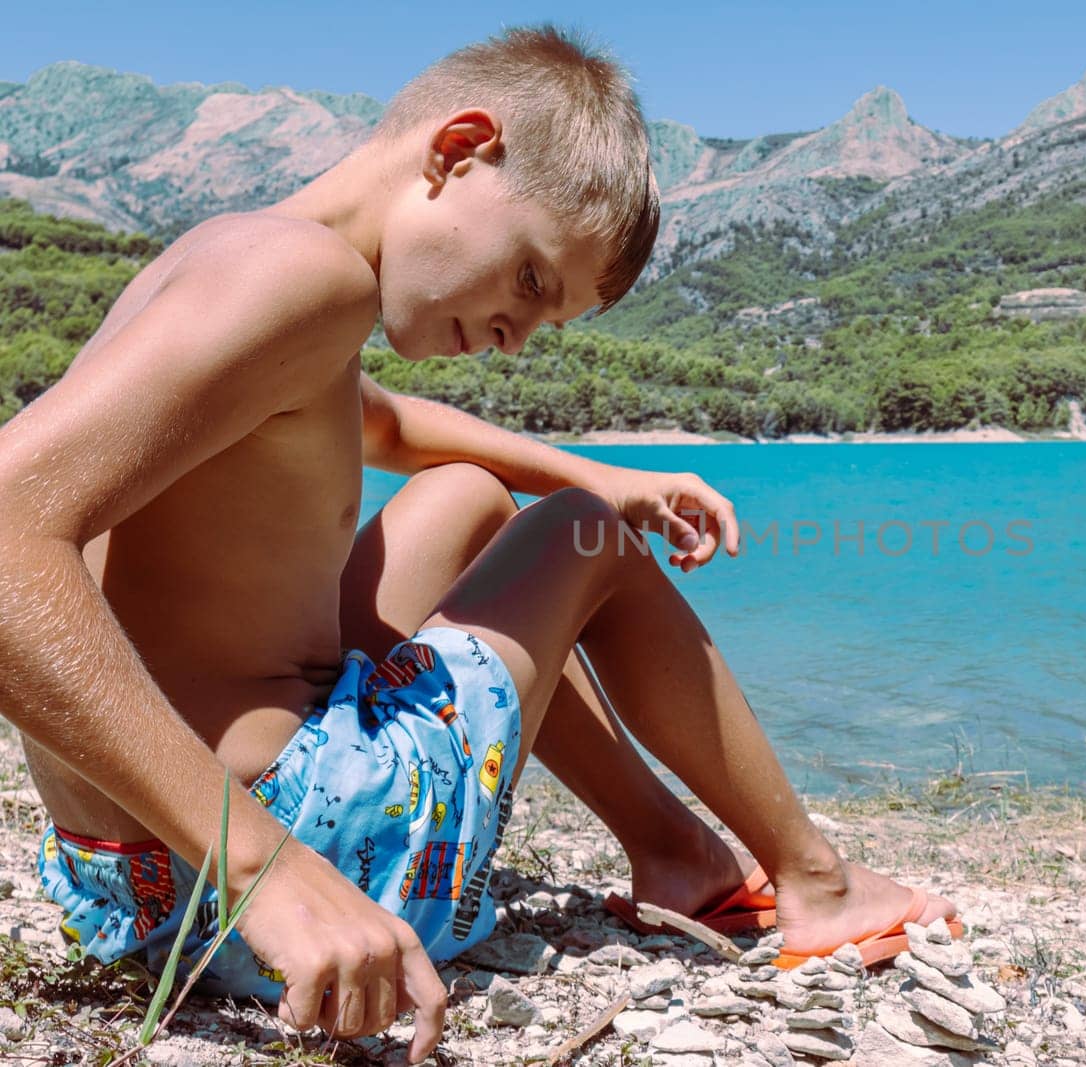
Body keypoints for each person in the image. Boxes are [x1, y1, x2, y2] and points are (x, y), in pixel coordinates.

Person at [0, 26, 957, 1062]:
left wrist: (601, 473)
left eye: (546, 322)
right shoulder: (305, 279)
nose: (515, 333)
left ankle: (676, 852)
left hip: (126, 889)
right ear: (459, 149)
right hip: (275, 869)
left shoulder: (235, 259)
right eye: (533, 280)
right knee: (582, 541)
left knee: (468, 497)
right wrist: (267, 871)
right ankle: (816, 880)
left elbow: (382, 425)